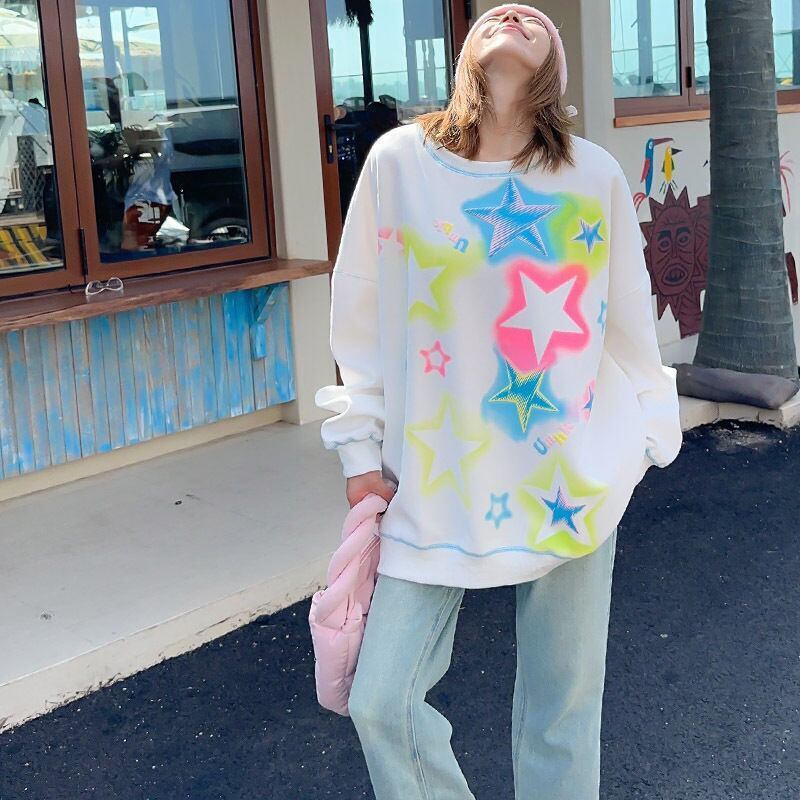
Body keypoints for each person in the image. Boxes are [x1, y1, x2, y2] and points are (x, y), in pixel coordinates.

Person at [314, 5, 683, 799]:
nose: (513, 14)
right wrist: (358, 447)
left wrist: (650, 434)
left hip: (570, 477)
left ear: (554, 69)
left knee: (562, 710)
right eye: (495, 15)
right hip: (433, 479)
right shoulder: (399, 163)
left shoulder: (590, 174)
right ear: (463, 57)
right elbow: (358, 319)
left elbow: (627, 319)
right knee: (382, 701)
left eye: (534, 19)